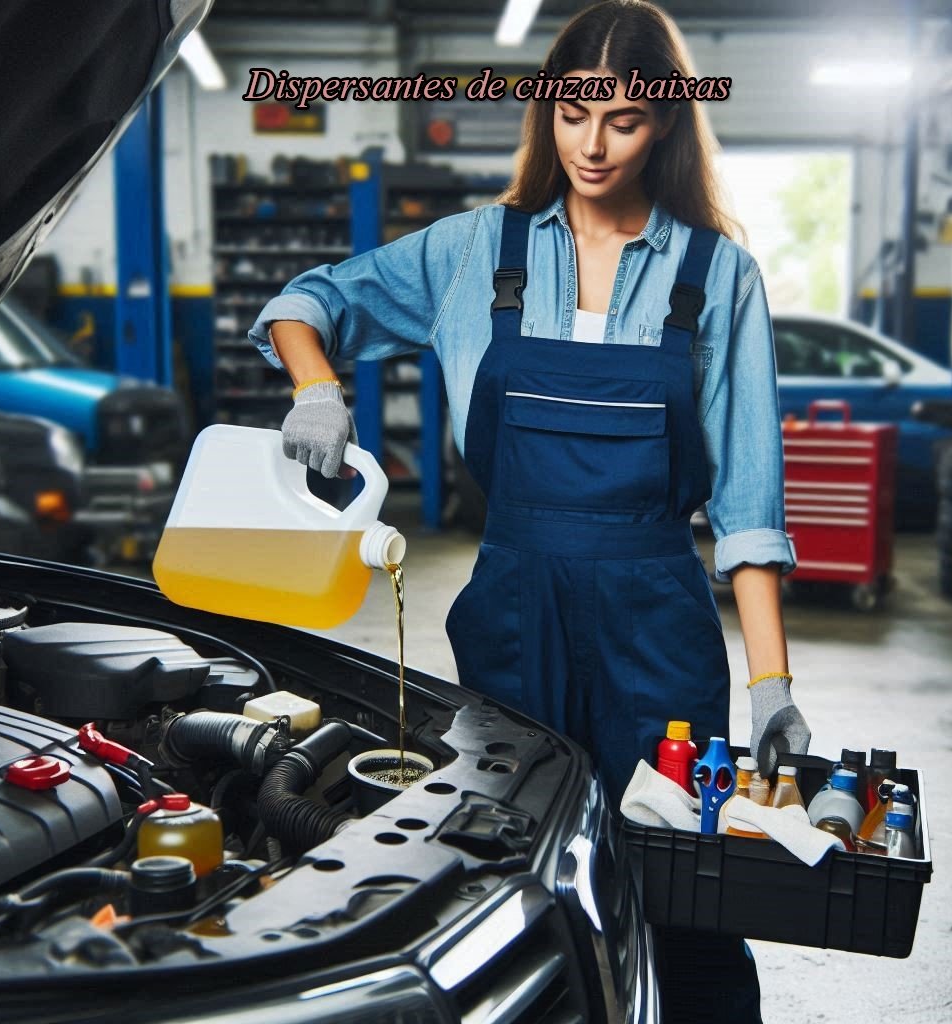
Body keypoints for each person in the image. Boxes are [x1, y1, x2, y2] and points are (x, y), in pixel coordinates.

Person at [249, 2, 810, 1019]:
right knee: (507, 870)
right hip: (512, 611)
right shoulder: (476, 251)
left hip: (658, 629)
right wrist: (313, 385)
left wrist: (770, 683)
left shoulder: (717, 276)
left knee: (680, 886)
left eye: (625, 121)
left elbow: (750, 502)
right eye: (572, 113)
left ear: (666, 127)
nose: (593, 145)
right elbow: (304, 299)